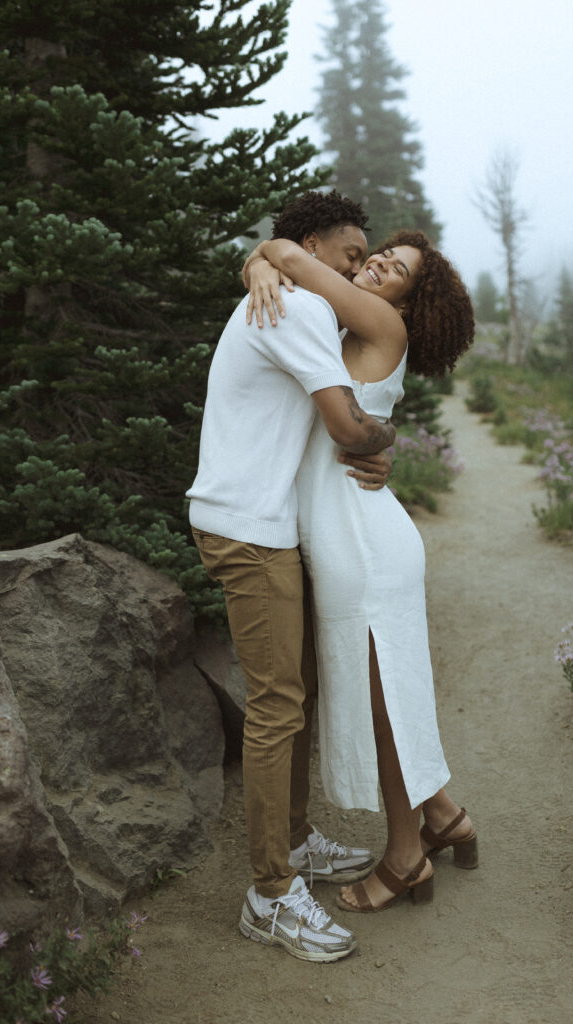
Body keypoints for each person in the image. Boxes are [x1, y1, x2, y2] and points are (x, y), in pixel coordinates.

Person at [187, 191, 398, 962]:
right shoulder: (301, 310)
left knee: (291, 695)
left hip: (261, 525)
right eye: (350, 255)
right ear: (308, 246)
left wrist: (263, 255)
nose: (358, 271)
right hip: (250, 533)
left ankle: (298, 842)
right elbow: (347, 427)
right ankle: (269, 895)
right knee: (277, 705)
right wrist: (386, 435)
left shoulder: (282, 292)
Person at [243, 228, 477, 913]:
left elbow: (286, 252)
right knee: (383, 693)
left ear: (412, 298)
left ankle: (406, 860)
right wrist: (258, 263)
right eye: (378, 255)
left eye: (395, 267)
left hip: (364, 545)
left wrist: (262, 263)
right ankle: (442, 818)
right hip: (350, 537)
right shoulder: (347, 326)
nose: (376, 262)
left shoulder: (380, 323)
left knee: (382, 709)